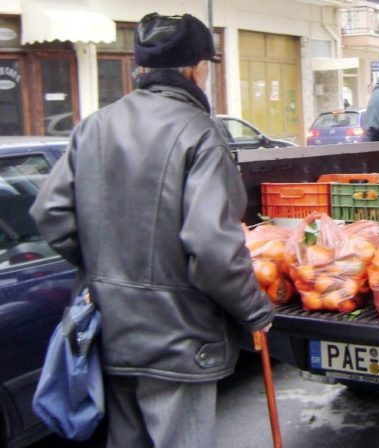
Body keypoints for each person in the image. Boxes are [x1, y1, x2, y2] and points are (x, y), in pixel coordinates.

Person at [30, 13, 274, 448]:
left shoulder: (94, 126)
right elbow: (211, 248)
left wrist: (106, 267)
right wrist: (255, 310)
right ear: (197, 67)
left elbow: (51, 213)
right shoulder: (200, 133)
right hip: (180, 341)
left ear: (140, 68)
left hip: (113, 330)